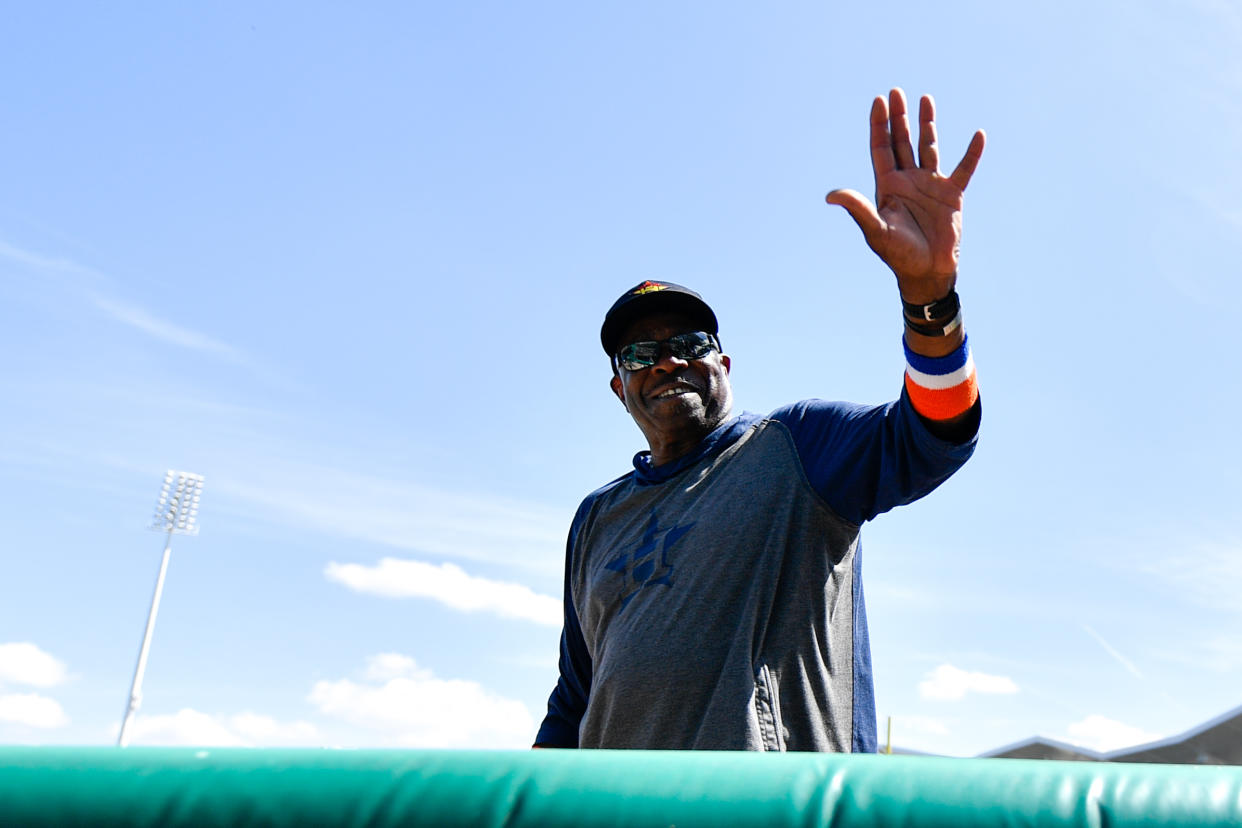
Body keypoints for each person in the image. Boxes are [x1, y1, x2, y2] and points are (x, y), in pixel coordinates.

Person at [534, 88, 986, 752]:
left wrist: (930, 300)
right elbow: (575, 698)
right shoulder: (597, 519)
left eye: (689, 346)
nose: (667, 363)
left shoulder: (796, 448)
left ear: (724, 363)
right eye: (642, 354)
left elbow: (936, 434)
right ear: (618, 387)